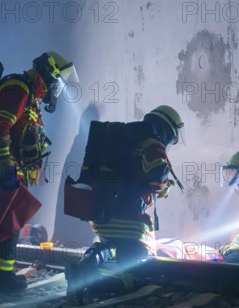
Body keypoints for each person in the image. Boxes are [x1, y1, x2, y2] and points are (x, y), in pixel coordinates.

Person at [0, 51, 78, 293]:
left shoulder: (27, 92)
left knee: (2, 221)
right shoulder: (17, 88)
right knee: (5, 222)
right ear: (49, 73)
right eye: (57, 81)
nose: (56, 89)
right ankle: (2, 279)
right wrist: (3, 163)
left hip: (7, 166)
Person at [72, 105, 185, 295]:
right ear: (166, 129)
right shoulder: (152, 145)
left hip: (104, 215)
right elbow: (157, 176)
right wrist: (166, 186)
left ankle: (85, 265)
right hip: (129, 221)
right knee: (138, 269)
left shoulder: (128, 140)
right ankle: (96, 286)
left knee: (111, 247)